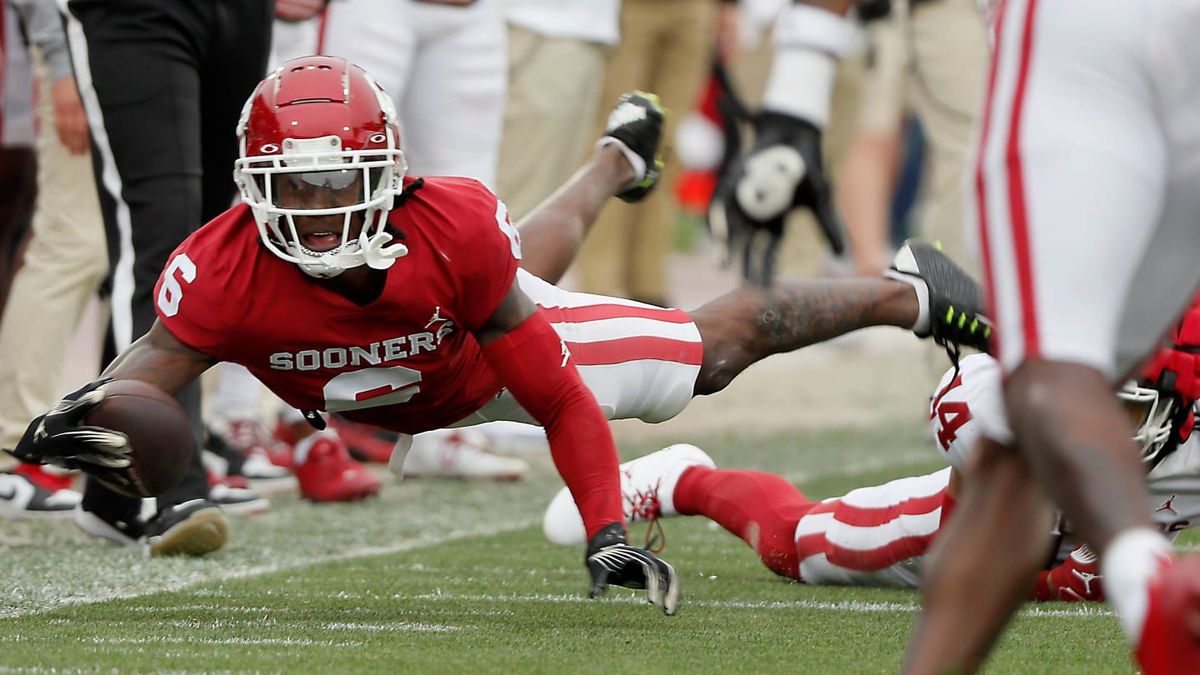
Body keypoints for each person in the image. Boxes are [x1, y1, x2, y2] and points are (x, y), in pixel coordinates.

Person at [6, 57, 986, 612]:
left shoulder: (447, 230)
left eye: (336, 180)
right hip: (435, 351)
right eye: (291, 184)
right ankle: (615, 157)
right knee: (511, 267)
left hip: (483, 373)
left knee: (702, 356)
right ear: (253, 184)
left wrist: (606, 533)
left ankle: (907, 292)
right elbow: (143, 374)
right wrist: (71, 421)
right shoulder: (221, 267)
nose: (314, 206)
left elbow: (556, 395)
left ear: (387, 170)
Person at [542, 336, 1200, 604]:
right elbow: (963, 398)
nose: (1106, 422)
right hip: (974, 519)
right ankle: (684, 480)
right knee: (791, 545)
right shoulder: (1015, 389)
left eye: (1131, 406)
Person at [59, 0, 274, 555]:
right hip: (137, 11)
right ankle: (172, 483)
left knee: (210, 237)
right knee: (161, 240)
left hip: (240, 11)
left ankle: (115, 491)